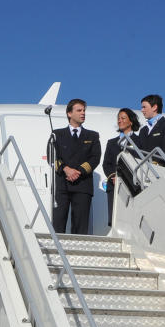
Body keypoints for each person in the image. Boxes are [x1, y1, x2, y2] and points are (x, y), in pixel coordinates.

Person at [49, 98, 101, 235]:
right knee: (58, 223)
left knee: (80, 226)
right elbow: (51, 155)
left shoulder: (93, 136)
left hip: (83, 185)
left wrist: (79, 172)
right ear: (69, 114)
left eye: (84, 110)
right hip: (62, 185)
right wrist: (66, 169)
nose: (83, 113)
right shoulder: (57, 134)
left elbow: (95, 158)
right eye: (79, 110)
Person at [102, 107, 140, 226]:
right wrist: (113, 176)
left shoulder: (139, 141)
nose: (120, 121)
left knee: (131, 221)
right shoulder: (111, 142)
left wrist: (126, 177)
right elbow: (106, 164)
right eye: (118, 118)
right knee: (114, 219)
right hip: (114, 184)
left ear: (131, 121)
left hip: (132, 185)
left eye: (123, 118)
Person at [136, 94, 165, 162]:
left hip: (161, 168)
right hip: (144, 168)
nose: (142, 110)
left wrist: (154, 162)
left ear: (154, 107)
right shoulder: (143, 130)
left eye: (144, 107)